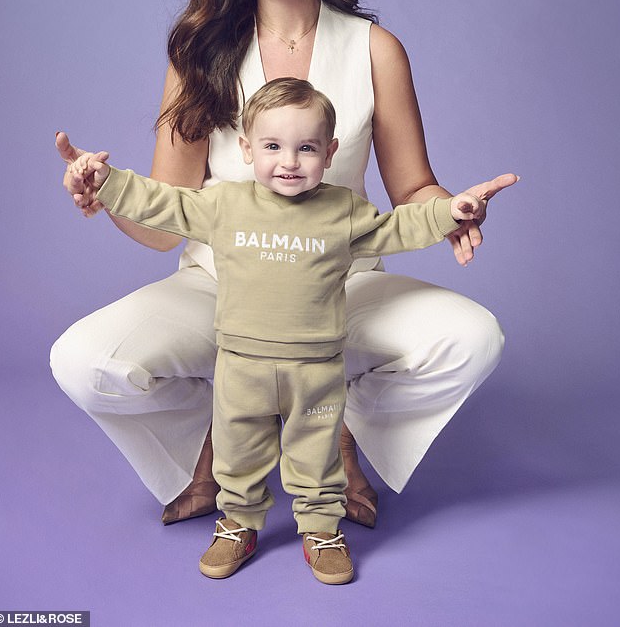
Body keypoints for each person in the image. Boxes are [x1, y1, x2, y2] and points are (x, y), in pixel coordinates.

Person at [52, 0, 514, 533]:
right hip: (222, 289)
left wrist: (450, 210)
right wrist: (105, 194)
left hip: (340, 287)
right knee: (84, 362)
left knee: (475, 337)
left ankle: (339, 427)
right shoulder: (199, 52)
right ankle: (218, 438)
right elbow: (163, 223)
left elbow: (411, 183)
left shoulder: (374, 48)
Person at [68, 78, 513, 583]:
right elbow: (161, 203)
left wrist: (449, 212)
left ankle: (321, 528)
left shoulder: (341, 210)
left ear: (330, 152)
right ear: (245, 149)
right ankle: (237, 521)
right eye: (273, 146)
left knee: (317, 452)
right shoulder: (224, 205)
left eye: (306, 148)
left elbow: (398, 228)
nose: (289, 161)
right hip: (240, 363)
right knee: (238, 450)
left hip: (317, 366)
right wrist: (105, 180)